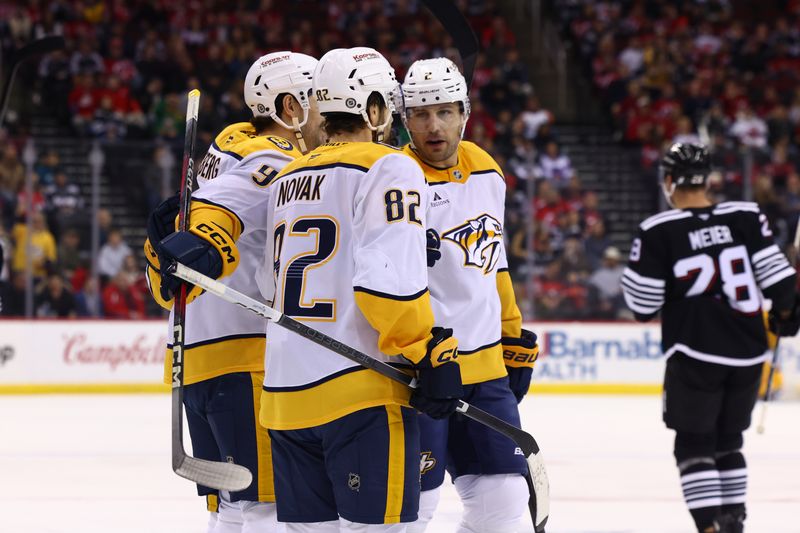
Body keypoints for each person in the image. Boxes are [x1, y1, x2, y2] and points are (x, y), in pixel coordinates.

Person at [159, 46, 462, 532]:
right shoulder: (390, 166)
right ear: (375, 109)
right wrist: (429, 352)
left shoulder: (288, 175)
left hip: (285, 397)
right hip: (360, 394)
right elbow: (388, 284)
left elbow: (267, 284)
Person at [144, 51, 322, 533]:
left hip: (205, 359)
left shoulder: (227, 151)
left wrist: (173, 252)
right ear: (291, 108)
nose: (329, 112)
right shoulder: (273, 160)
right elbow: (217, 217)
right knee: (263, 506)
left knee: (233, 507)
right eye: (319, 100)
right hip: (242, 361)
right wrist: (201, 244)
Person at [621, 142, 800, 533]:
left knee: (694, 444)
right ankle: (733, 524)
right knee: (729, 442)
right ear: (708, 178)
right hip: (749, 353)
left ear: (669, 180)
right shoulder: (746, 214)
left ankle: (709, 527)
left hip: (695, 352)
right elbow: (781, 282)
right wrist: (787, 312)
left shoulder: (658, 229)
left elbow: (642, 305)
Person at [401, 57, 538, 533]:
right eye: (420, 114)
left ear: (465, 112)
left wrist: (512, 333)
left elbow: (494, 260)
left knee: (503, 500)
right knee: (412, 509)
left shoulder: (486, 169)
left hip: (486, 368)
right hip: (421, 370)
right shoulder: (394, 177)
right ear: (404, 120)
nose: (433, 126)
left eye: (444, 111)